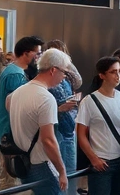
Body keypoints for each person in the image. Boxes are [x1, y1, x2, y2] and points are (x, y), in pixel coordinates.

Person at [8, 48, 76, 195]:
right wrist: (62, 170)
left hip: (23, 160)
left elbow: (8, 106)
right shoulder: (46, 98)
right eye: (64, 72)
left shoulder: (18, 92)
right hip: (41, 164)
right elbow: (48, 140)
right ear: (53, 70)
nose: (64, 77)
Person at [75, 56, 120, 195]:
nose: (118, 76)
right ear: (102, 75)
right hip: (102, 162)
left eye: (119, 71)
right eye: (113, 72)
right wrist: (94, 159)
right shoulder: (89, 101)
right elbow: (81, 134)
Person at [0, 35, 43, 191]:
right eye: (37, 53)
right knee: (10, 181)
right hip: (10, 134)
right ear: (26, 53)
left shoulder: (13, 70)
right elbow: (18, 107)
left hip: (6, 131)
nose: (39, 57)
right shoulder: (16, 75)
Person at [42, 40, 81, 195]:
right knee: (58, 171)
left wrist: (73, 101)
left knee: (70, 169)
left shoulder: (65, 78)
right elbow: (44, 108)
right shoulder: (44, 82)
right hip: (56, 129)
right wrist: (60, 108)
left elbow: (77, 82)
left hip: (69, 127)